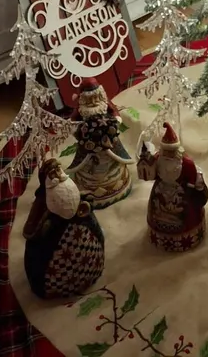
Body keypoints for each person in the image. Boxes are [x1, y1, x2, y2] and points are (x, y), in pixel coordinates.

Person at [22, 157, 104, 299]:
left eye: (58, 170)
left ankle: (93, 269)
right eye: (52, 173)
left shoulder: (69, 185)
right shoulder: (44, 200)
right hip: (57, 262)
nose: (57, 175)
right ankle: (54, 288)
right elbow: (32, 229)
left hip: (87, 244)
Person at [137, 122, 208, 251]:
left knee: (182, 210)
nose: (168, 154)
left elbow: (192, 178)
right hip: (161, 190)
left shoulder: (186, 163)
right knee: (159, 207)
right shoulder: (158, 159)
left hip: (180, 192)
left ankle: (185, 235)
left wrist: (191, 191)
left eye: (171, 151)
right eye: (166, 151)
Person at [67, 78, 134, 209]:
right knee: (90, 164)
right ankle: (91, 183)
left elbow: (114, 111)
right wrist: (77, 131)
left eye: (95, 97)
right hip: (88, 145)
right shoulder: (80, 108)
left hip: (108, 141)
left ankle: (113, 177)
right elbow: (73, 120)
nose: (93, 101)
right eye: (89, 98)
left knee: (111, 161)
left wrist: (115, 122)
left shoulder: (104, 103)